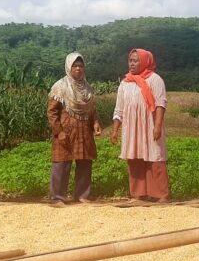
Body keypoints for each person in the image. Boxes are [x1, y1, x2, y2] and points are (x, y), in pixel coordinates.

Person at [110, 48, 170, 203]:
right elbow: (119, 109)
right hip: (132, 128)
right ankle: (138, 194)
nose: (131, 64)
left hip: (149, 125)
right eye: (130, 60)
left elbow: (160, 104)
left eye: (135, 61)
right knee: (134, 158)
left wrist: (157, 126)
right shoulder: (125, 83)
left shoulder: (155, 80)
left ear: (144, 62)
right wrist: (115, 130)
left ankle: (160, 194)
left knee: (155, 157)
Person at [47, 52, 102, 204]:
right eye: (75, 66)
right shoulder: (60, 87)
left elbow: (91, 110)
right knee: (62, 163)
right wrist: (59, 131)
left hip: (84, 130)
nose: (78, 69)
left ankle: (82, 195)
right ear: (68, 67)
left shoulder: (87, 88)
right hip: (66, 131)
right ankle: (58, 197)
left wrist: (95, 123)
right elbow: (51, 112)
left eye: (81, 66)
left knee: (85, 162)